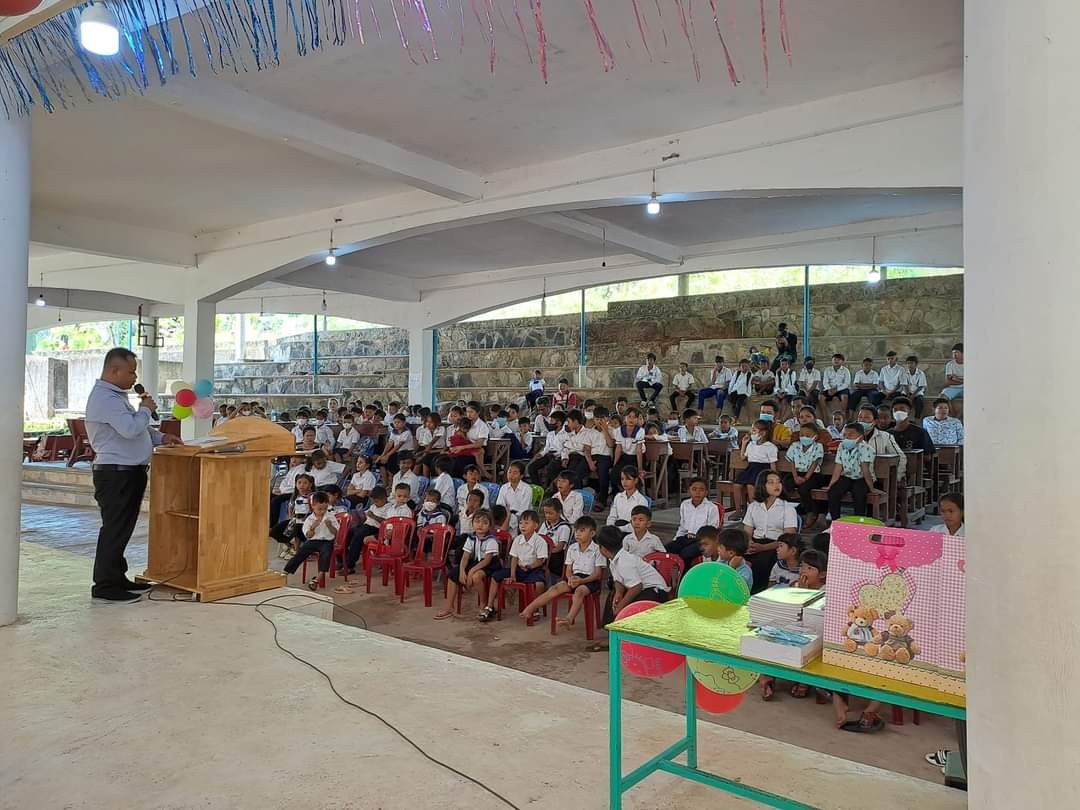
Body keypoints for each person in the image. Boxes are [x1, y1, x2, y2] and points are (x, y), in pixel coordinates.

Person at [84, 348, 184, 601]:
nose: (134, 377)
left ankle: (117, 577)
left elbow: (139, 430)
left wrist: (162, 437)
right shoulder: (105, 399)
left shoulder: (116, 397)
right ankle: (105, 585)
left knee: (122, 528)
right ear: (114, 370)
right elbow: (130, 429)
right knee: (115, 528)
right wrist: (146, 409)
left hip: (128, 472)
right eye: (131, 372)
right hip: (116, 474)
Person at [521, 516, 605, 632]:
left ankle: (569, 618)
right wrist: (570, 578)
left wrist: (582, 581)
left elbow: (598, 574)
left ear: (592, 533)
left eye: (582, 531)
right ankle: (531, 608)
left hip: (590, 580)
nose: (578, 534)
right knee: (555, 588)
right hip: (574, 578)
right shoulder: (572, 548)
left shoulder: (597, 550)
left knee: (579, 591)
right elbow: (568, 569)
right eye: (576, 531)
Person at [599, 525, 671, 624]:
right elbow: (618, 580)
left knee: (629, 607)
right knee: (612, 597)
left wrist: (620, 606)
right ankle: (612, 627)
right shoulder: (613, 560)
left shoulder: (625, 561)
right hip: (640, 588)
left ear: (603, 549)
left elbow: (637, 587)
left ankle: (622, 627)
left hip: (655, 592)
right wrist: (619, 593)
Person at [436, 509, 500, 620]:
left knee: (476, 576)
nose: (480, 525)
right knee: (453, 574)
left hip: (490, 565)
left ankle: (483, 604)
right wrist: (461, 571)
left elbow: (487, 561)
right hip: (475, 562)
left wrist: (471, 571)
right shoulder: (471, 538)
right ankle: (449, 607)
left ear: (490, 526)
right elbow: (465, 557)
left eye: (484, 523)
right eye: (477, 522)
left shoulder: (491, 540)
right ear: (472, 523)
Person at [742, 470, 798, 592]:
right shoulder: (753, 506)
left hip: (777, 544)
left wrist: (763, 548)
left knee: (762, 562)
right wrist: (749, 542)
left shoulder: (787, 508)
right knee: (736, 555)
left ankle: (756, 594)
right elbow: (747, 530)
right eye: (771, 482)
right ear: (762, 485)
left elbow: (788, 537)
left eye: (778, 482)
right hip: (755, 542)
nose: (776, 485)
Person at [490, 510, 548, 621]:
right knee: (495, 576)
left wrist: (530, 567)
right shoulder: (517, 539)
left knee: (539, 584)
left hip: (534, 569)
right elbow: (514, 558)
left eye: (526, 523)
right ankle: (490, 606)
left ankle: (535, 608)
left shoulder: (540, 541)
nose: (522, 526)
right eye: (521, 523)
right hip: (519, 569)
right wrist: (512, 575)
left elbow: (540, 561)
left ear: (535, 526)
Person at [282, 491, 340, 590]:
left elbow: (335, 532)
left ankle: (317, 579)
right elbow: (308, 535)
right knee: (300, 553)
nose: (322, 511)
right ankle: (285, 572)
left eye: (325, 509)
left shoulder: (330, 516)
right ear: (313, 506)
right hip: (313, 541)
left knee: (326, 555)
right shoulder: (309, 519)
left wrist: (330, 526)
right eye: (320, 509)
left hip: (327, 541)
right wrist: (312, 528)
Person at [826, 423, 878, 522]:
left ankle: (858, 522)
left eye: (850, 435)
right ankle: (835, 521)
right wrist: (830, 485)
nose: (846, 437)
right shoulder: (842, 446)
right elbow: (838, 467)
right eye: (845, 435)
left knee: (859, 494)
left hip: (862, 478)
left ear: (860, 437)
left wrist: (872, 488)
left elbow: (865, 470)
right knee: (833, 492)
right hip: (847, 476)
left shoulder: (866, 448)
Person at [668, 478, 721, 566]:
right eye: (694, 489)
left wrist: (699, 538)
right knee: (667, 549)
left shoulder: (711, 508)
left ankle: (686, 573)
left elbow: (712, 530)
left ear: (706, 493)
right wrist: (676, 540)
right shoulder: (685, 504)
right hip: (686, 537)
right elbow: (682, 527)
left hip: (701, 540)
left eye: (701, 490)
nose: (697, 492)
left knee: (685, 554)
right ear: (689, 491)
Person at [732, 419, 778, 520]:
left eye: (754, 430)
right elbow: (743, 458)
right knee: (737, 485)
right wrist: (744, 443)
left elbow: (772, 464)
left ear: (763, 433)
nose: (751, 433)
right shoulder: (751, 444)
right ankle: (738, 510)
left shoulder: (770, 447)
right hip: (751, 468)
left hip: (762, 469)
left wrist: (774, 478)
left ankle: (754, 512)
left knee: (750, 485)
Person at [786, 422, 826, 530]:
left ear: (815, 437)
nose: (804, 437)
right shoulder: (795, 446)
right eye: (802, 434)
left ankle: (810, 512)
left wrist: (805, 478)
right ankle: (786, 511)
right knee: (785, 484)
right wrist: (795, 477)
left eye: (807, 435)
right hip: (797, 473)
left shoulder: (818, 447)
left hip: (813, 474)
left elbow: (814, 463)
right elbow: (792, 462)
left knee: (804, 489)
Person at [857, 405, 906, 483]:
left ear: (875, 421)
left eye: (866, 417)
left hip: (878, 479)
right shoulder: (850, 436)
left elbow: (900, 457)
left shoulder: (886, 437)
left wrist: (897, 478)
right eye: (860, 417)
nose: (862, 420)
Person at [269, 473, 314, 557]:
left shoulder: (312, 496)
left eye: (305, 483)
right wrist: (291, 518)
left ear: (310, 484)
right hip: (295, 519)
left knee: (297, 529)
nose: (302, 485)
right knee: (274, 531)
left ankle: (297, 551)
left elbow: (314, 510)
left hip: (307, 520)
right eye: (299, 482)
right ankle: (291, 546)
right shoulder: (295, 495)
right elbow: (290, 507)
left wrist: (306, 518)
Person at [611, 408, 645, 493]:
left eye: (634, 417)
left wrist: (640, 468)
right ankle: (619, 494)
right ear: (625, 418)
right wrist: (615, 464)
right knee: (614, 472)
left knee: (630, 473)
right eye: (629, 416)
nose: (631, 419)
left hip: (636, 458)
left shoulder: (640, 431)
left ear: (637, 419)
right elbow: (618, 449)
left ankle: (631, 493)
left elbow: (639, 450)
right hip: (625, 457)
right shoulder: (619, 431)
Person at [607, 466, 649, 534]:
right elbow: (612, 516)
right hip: (616, 530)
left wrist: (618, 529)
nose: (624, 482)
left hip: (631, 532)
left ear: (636, 480)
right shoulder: (618, 497)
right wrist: (610, 527)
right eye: (622, 479)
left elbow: (638, 523)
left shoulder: (641, 500)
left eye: (628, 479)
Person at [539, 498, 573, 578]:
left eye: (551, 513)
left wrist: (546, 553)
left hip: (555, 555)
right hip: (543, 551)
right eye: (546, 513)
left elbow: (559, 547)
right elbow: (539, 538)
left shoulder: (564, 527)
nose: (547, 516)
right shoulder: (545, 524)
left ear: (559, 512)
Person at [496, 460, 533, 534]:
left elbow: (524, 510)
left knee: (512, 521)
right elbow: (500, 505)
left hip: (522, 516)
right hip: (506, 514)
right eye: (509, 472)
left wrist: (510, 516)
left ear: (521, 476)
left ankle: (506, 536)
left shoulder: (527, 489)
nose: (511, 475)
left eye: (515, 473)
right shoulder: (504, 487)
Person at [821, 354, 852, 420]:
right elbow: (825, 382)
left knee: (845, 397)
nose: (836, 361)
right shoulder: (827, 370)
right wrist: (829, 389)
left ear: (842, 361)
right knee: (821, 397)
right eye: (834, 359)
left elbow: (847, 383)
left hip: (841, 389)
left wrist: (837, 389)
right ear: (832, 360)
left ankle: (843, 415)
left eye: (838, 360)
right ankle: (825, 416)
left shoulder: (845, 370)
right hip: (830, 389)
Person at [415, 411, 446, 476]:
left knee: (428, 458)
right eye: (427, 422)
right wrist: (423, 454)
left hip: (440, 450)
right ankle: (425, 479)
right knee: (425, 460)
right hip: (430, 450)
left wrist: (422, 455)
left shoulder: (441, 429)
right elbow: (426, 447)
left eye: (431, 422)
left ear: (437, 423)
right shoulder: (426, 431)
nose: (428, 424)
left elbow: (432, 442)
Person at [942, 343, 964, 415]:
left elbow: (972, 381)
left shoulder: (970, 363)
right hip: (953, 388)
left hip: (967, 388)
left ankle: (958, 418)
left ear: (963, 353)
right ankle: (953, 416)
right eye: (953, 353)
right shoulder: (950, 364)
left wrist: (956, 379)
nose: (954, 355)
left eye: (956, 352)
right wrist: (963, 381)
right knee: (942, 398)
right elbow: (948, 382)